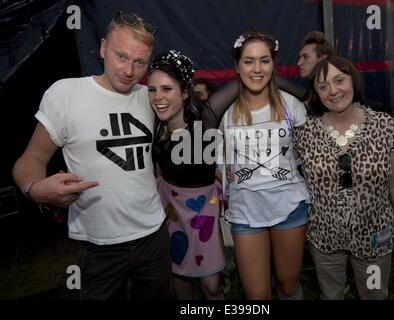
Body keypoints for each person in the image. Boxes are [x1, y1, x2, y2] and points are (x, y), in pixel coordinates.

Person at [12, 12, 174, 300]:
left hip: (153, 236)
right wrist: (35, 189)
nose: (129, 70)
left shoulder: (150, 97)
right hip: (99, 246)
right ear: (102, 48)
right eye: (121, 56)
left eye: (140, 62)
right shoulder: (65, 94)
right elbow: (31, 160)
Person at [293, 56, 394, 300]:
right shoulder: (304, 133)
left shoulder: (383, 126)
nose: (333, 91)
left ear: (353, 80)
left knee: (373, 294)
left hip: (374, 239)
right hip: (324, 239)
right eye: (323, 86)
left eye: (339, 80)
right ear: (316, 93)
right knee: (331, 295)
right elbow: (278, 163)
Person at [222, 28, 309, 300]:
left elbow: (307, 154)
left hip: (289, 207)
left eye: (264, 60)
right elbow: (217, 158)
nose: (256, 69)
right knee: (257, 296)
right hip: (246, 211)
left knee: (287, 285)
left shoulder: (292, 105)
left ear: (274, 64)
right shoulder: (225, 112)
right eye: (248, 61)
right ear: (237, 66)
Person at [147, 50, 240, 299]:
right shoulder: (153, 127)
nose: (158, 97)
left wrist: (307, 97)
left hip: (203, 212)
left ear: (185, 92)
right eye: (152, 90)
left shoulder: (205, 123)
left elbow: (243, 80)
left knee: (211, 285)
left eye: (167, 89)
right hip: (172, 210)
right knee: (179, 273)